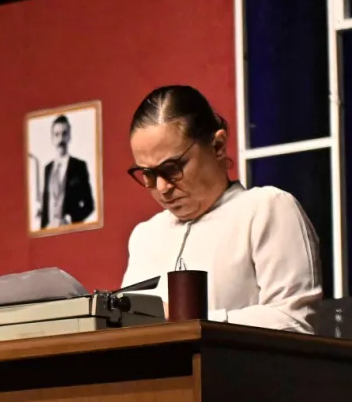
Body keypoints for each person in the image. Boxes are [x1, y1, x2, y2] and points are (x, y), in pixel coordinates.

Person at [119, 85, 322, 332]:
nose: (162, 187)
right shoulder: (145, 236)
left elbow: (294, 321)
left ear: (218, 146)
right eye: (148, 174)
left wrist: (189, 322)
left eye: (172, 168)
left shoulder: (265, 209)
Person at [39, 114, 95, 228]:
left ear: (69, 136)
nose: (61, 139)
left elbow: (90, 205)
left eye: (64, 134)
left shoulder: (79, 166)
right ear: (52, 138)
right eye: (57, 134)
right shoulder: (47, 169)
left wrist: (71, 220)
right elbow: (46, 206)